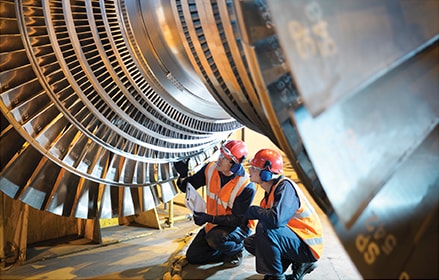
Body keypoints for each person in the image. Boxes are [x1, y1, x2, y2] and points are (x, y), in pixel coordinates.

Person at [174, 140, 256, 267]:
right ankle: (224, 250)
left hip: (238, 228)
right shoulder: (210, 169)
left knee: (215, 238)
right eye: (220, 154)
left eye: (224, 158)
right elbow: (187, 187)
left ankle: (238, 249)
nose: (219, 159)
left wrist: (208, 218)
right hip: (214, 224)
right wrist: (183, 175)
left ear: (234, 165)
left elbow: (237, 220)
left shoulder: (246, 186)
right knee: (193, 256)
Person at [244, 149, 323, 280]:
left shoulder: (285, 188)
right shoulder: (269, 194)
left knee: (265, 228)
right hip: (297, 240)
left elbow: (276, 220)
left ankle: (277, 276)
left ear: (266, 173)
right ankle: (295, 265)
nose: (249, 170)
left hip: (308, 246)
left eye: (254, 168)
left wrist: (254, 211)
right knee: (252, 243)